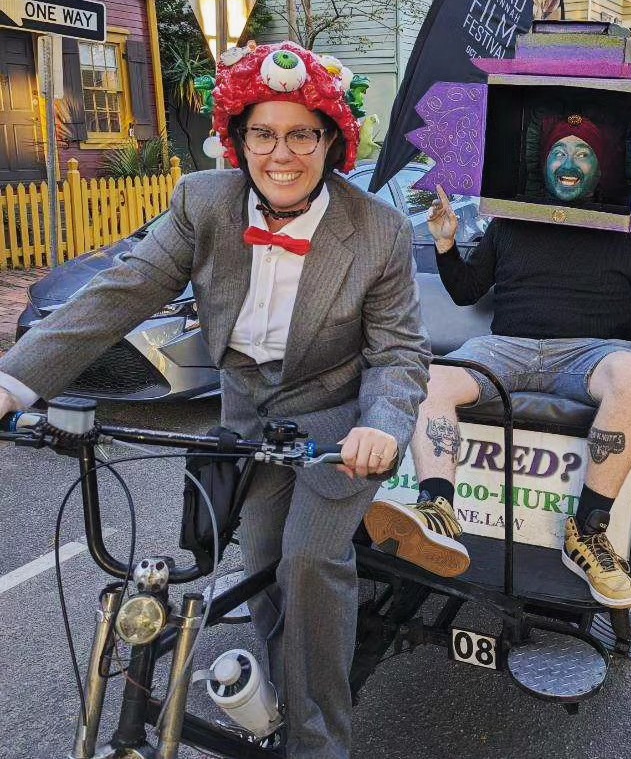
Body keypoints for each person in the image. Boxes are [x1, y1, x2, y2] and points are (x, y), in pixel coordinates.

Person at [0, 41, 430, 759]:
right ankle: (281, 684)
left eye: (301, 133)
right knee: (259, 558)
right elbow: (122, 288)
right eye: (263, 132)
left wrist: (382, 425)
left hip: (334, 419)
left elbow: (397, 352)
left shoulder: (376, 228)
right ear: (238, 138)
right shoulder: (204, 202)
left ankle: (320, 740)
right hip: (243, 416)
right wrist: (14, 380)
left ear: (331, 139)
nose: (281, 153)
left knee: (308, 564)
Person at [364, 114, 631, 608]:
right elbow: (466, 291)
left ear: (601, 165)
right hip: (508, 348)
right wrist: (444, 243)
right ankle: (438, 508)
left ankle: (587, 532)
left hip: (590, 353)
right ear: (542, 163)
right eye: (559, 151)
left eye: (583, 152)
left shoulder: (626, 233)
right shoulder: (509, 221)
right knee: (431, 378)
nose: (570, 162)